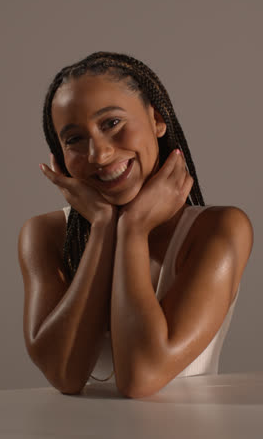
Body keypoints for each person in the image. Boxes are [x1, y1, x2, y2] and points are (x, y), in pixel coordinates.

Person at [18, 51, 253, 399]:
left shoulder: (218, 230)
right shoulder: (43, 235)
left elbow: (141, 377)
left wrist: (132, 230)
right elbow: (63, 373)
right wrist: (101, 228)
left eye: (111, 123)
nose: (99, 154)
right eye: (74, 140)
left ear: (157, 119)